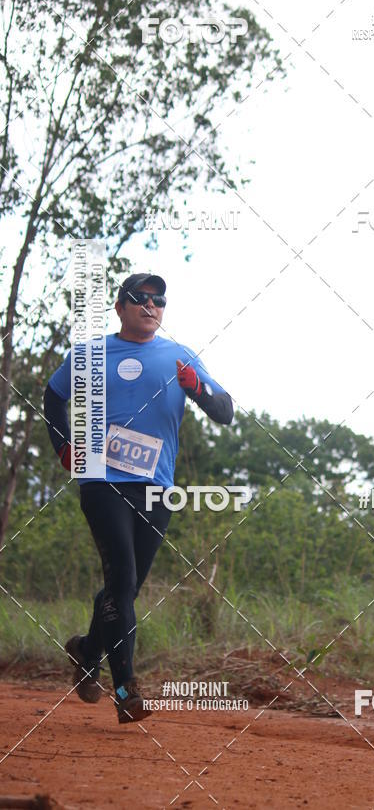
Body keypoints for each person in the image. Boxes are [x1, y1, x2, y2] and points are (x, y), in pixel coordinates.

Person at [43, 273, 234, 723]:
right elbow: (53, 398)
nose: (151, 305)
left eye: (159, 300)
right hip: (100, 479)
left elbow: (224, 412)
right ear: (119, 306)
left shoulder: (178, 356)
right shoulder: (91, 354)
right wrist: (64, 445)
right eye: (140, 298)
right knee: (123, 579)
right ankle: (126, 688)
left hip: (155, 487)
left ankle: (87, 652)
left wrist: (197, 387)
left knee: (123, 587)